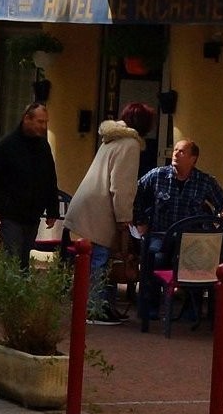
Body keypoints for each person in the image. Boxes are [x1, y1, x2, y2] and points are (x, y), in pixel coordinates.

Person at [64, 101, 155, 322]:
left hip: (88, 205)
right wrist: (125, 218)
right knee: (100, 260)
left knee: (96, 260)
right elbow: (121, 186)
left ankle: (100, 306)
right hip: (101, 209)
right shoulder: (130, 144)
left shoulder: (112, 140)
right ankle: (95, 309)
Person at [132, 139, 223, 321]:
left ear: (193, 158)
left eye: (181, 151)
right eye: (175, 150)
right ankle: (150, 308)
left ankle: (192, 310)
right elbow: (136, 194)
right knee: (153, 257)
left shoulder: (205, 181)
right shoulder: (157, 175)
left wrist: (214, 227)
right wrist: (140, 221)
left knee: (200, 259)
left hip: (191, 240)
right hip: (161, 235)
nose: (175, 154)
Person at [0, 102, 59, 268]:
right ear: (27, 119)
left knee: (23, 261)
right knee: (11, 260)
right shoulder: (5, 146)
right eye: (40, 122)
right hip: (10, 215)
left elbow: (49, 179)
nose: (43, 127)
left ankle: (21, 285)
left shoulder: (43, 147)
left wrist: (52, 209)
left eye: (45, 122)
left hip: (32, 215)